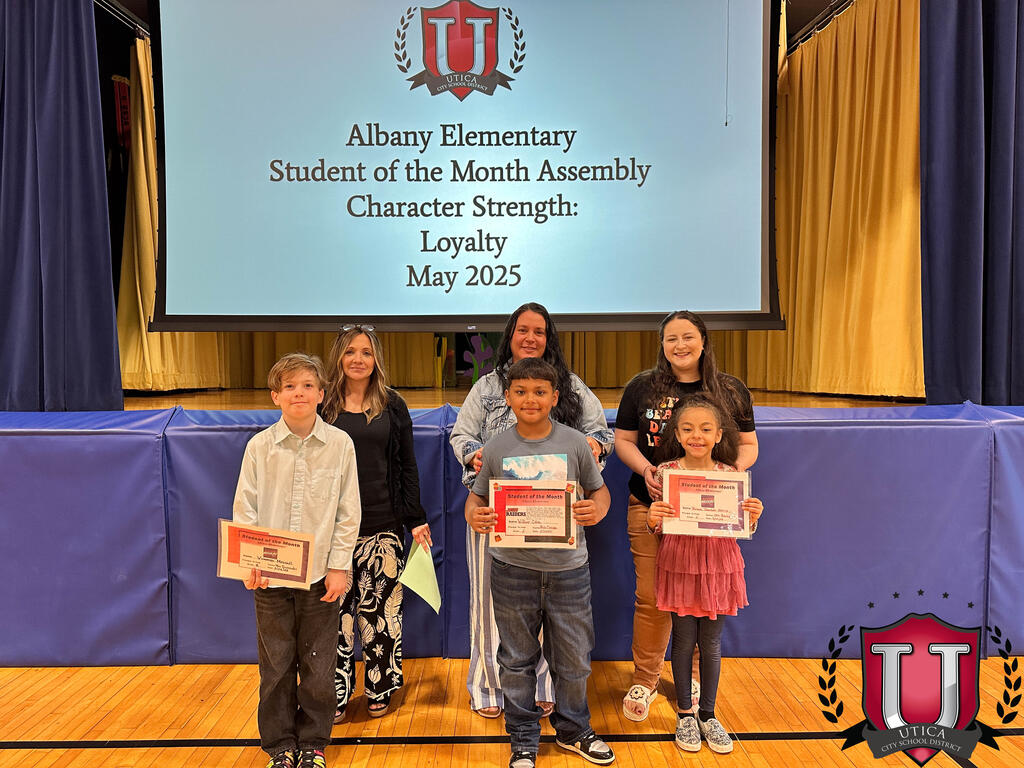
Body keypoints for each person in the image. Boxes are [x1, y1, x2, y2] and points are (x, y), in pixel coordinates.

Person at [450, 302, 614, 718]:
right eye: (522, 330)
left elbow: (601, 433)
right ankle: (489, 687)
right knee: (490, 606)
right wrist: (475, 455)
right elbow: (461, 435)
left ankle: (541, 686)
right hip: (493, 512)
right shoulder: (487, 386)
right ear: (510, 336)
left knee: (547, 609)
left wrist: (593, 446)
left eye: (539, 331)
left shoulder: (570, 385)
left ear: (548, 338)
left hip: (553, 516)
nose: (530, 338)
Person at [614, 310, 758, 721]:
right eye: (671, 338)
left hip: (707, 513)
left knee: (700, 598)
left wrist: (727, 478)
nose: (680, 345)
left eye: (688, 337)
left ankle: (691, 678)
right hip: (651, 505)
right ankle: (646, 678)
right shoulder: (642, 387)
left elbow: (749, 445)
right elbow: (623, 440)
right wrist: (648, 470)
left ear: (703, 340)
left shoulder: (730, 390)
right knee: (651, 596)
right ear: (662, 345)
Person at [232, 352, 361, 768]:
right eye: (289, 387)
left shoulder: (340, 445)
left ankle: (314, 743)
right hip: (269, 580)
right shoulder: (259, 448)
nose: (298, 393)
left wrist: (339, 567)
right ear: (275, 396)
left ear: (322, 394)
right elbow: (245, 509)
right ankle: (279, 745)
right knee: (276, 665)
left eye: (307, 385)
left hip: (321, 578)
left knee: (320, 666)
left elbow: (348, 512)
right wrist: (249, 563)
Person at [320, 326, 432, 721]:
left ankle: (379, 688)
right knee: (333, 620)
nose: (358, 359)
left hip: (383, 527)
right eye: (350, 351)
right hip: (333, 532)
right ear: (339, 356)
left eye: (366, 352)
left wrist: (415, 519)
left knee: (381, 617)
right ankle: (334, 694)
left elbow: (406, 465)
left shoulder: (392, 404)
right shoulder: (323, 404)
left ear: (376, 360)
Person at [646, 395, 763, 754]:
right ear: (677, 435)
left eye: (705, 429)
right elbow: (660, 525)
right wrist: (652, 519)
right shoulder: (666, 472)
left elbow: (742, 527)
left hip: (718, 564)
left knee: (711, 643)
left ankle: (708, 715)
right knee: (683, 641)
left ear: (718, 435)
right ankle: (685, 714)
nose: (696, 435)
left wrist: (753, 516)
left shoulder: (731, 476)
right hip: (680, 561)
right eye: (688, 429)